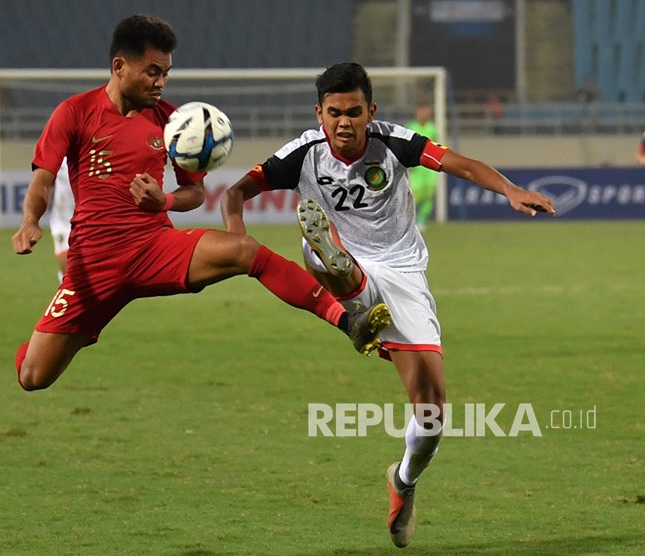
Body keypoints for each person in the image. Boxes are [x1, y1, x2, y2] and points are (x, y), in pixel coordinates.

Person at [221, 63, 556, 548]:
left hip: (403, 272)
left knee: (433, 413)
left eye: (353, 112)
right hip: (349, 261)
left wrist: (510, 190)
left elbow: (457, 162)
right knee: (322, 253)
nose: (343, 122)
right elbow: (236, 193)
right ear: (319, 113)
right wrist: (237, 242)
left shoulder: (393, 141)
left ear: (369, 111)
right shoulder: (304, 155)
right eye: (333, 112)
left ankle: (402, 481)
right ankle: (347, 287)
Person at [11, 15, 389, 392]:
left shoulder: (173, 121)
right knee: (33, 377)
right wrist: (31, 222)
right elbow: (42, 180)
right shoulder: (75, 112)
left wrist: (166, 200)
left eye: (166, 73)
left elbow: (195, 193)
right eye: (152, 72)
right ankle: (41, 345)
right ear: (119, 67)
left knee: (244, 251)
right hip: (93, 264)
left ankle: (347, 320)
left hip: (153, 247)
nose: (160, 82)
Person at [406, 103, 439, 230]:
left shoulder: (433, 129)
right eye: (421, 112)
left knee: (429, 197)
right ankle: (409, 221)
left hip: (430, 170)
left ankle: (421, 221)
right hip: (416, 169)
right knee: (413, 196)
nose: (423, 114)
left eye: (425, 112)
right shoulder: (411, 127)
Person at [49, 158, 74, 281]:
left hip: (90, 219)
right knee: (69, 273)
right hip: (63, 222)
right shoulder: (60, 154)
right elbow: (46, 178)